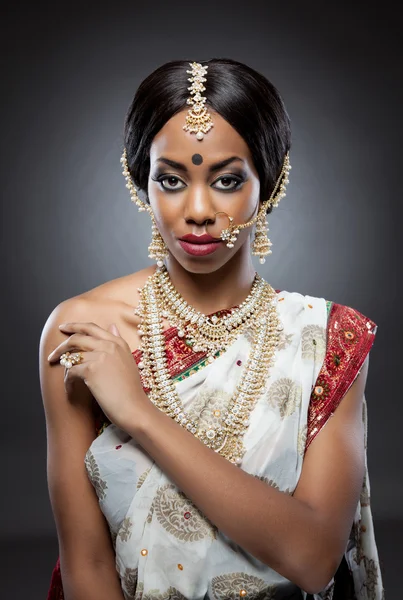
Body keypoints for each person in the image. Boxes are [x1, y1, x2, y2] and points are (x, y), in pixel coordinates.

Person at [40, 58, 384, 600]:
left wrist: (139, 413)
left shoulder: (326, 340)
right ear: (140, 183)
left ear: (268, 184)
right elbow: (86, 565)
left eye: (226, 180)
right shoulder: (83, 330)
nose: (197, 210)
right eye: (171, 180)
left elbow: (315, 559)